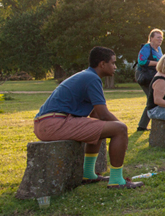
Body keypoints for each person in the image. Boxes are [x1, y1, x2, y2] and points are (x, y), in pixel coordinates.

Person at [34, 47, 142, 189]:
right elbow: (103, 114)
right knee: (119, 129)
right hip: (54, 123)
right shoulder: (92, 78)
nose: (115, 67)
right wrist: (122, 129)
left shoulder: (88, 76)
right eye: (113, 63)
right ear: (102, 64)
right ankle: (117, 180)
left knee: (99, 126)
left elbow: (97, 115)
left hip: (47, 123)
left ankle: (88, 173)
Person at [136, 29, 164, 132]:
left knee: (152, 99)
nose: (160, 39)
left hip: (153, 76)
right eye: (158, 37)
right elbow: (141, 61)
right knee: (152, 98)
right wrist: (157, 64)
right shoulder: (146, 47)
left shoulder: (159, 49)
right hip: (144, 76)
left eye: (161, 37)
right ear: (151, 38)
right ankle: (142, 126)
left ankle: (143, 126)